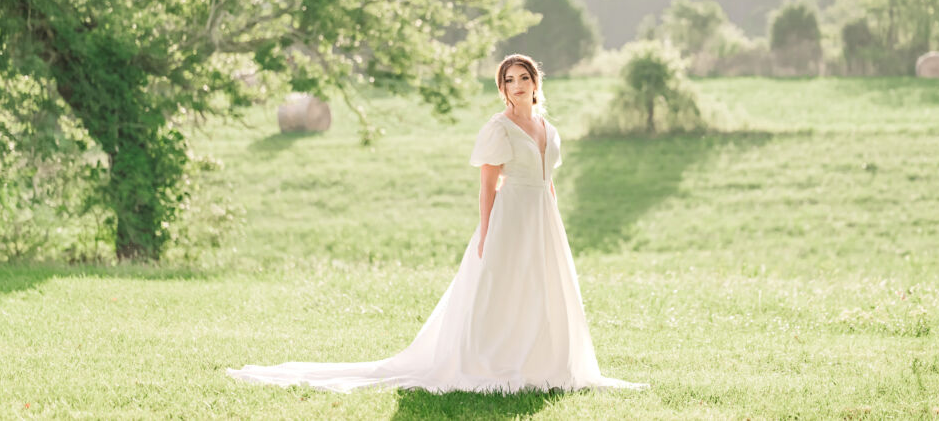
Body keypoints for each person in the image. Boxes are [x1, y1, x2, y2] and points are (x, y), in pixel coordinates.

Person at [227, 54, 645, 393]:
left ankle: (545, 362)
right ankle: (494, 361)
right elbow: (487, 186)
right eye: (509, 80)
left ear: (536, 83)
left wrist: (554, 224)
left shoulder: (548, 129)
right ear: (502, 89)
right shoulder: (498, 127)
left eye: (523, 78)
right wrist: (485, 232)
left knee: (544, 287)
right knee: (503, 286)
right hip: (510, 214)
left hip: (543, 218)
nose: (517, 86)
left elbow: (547, 180)